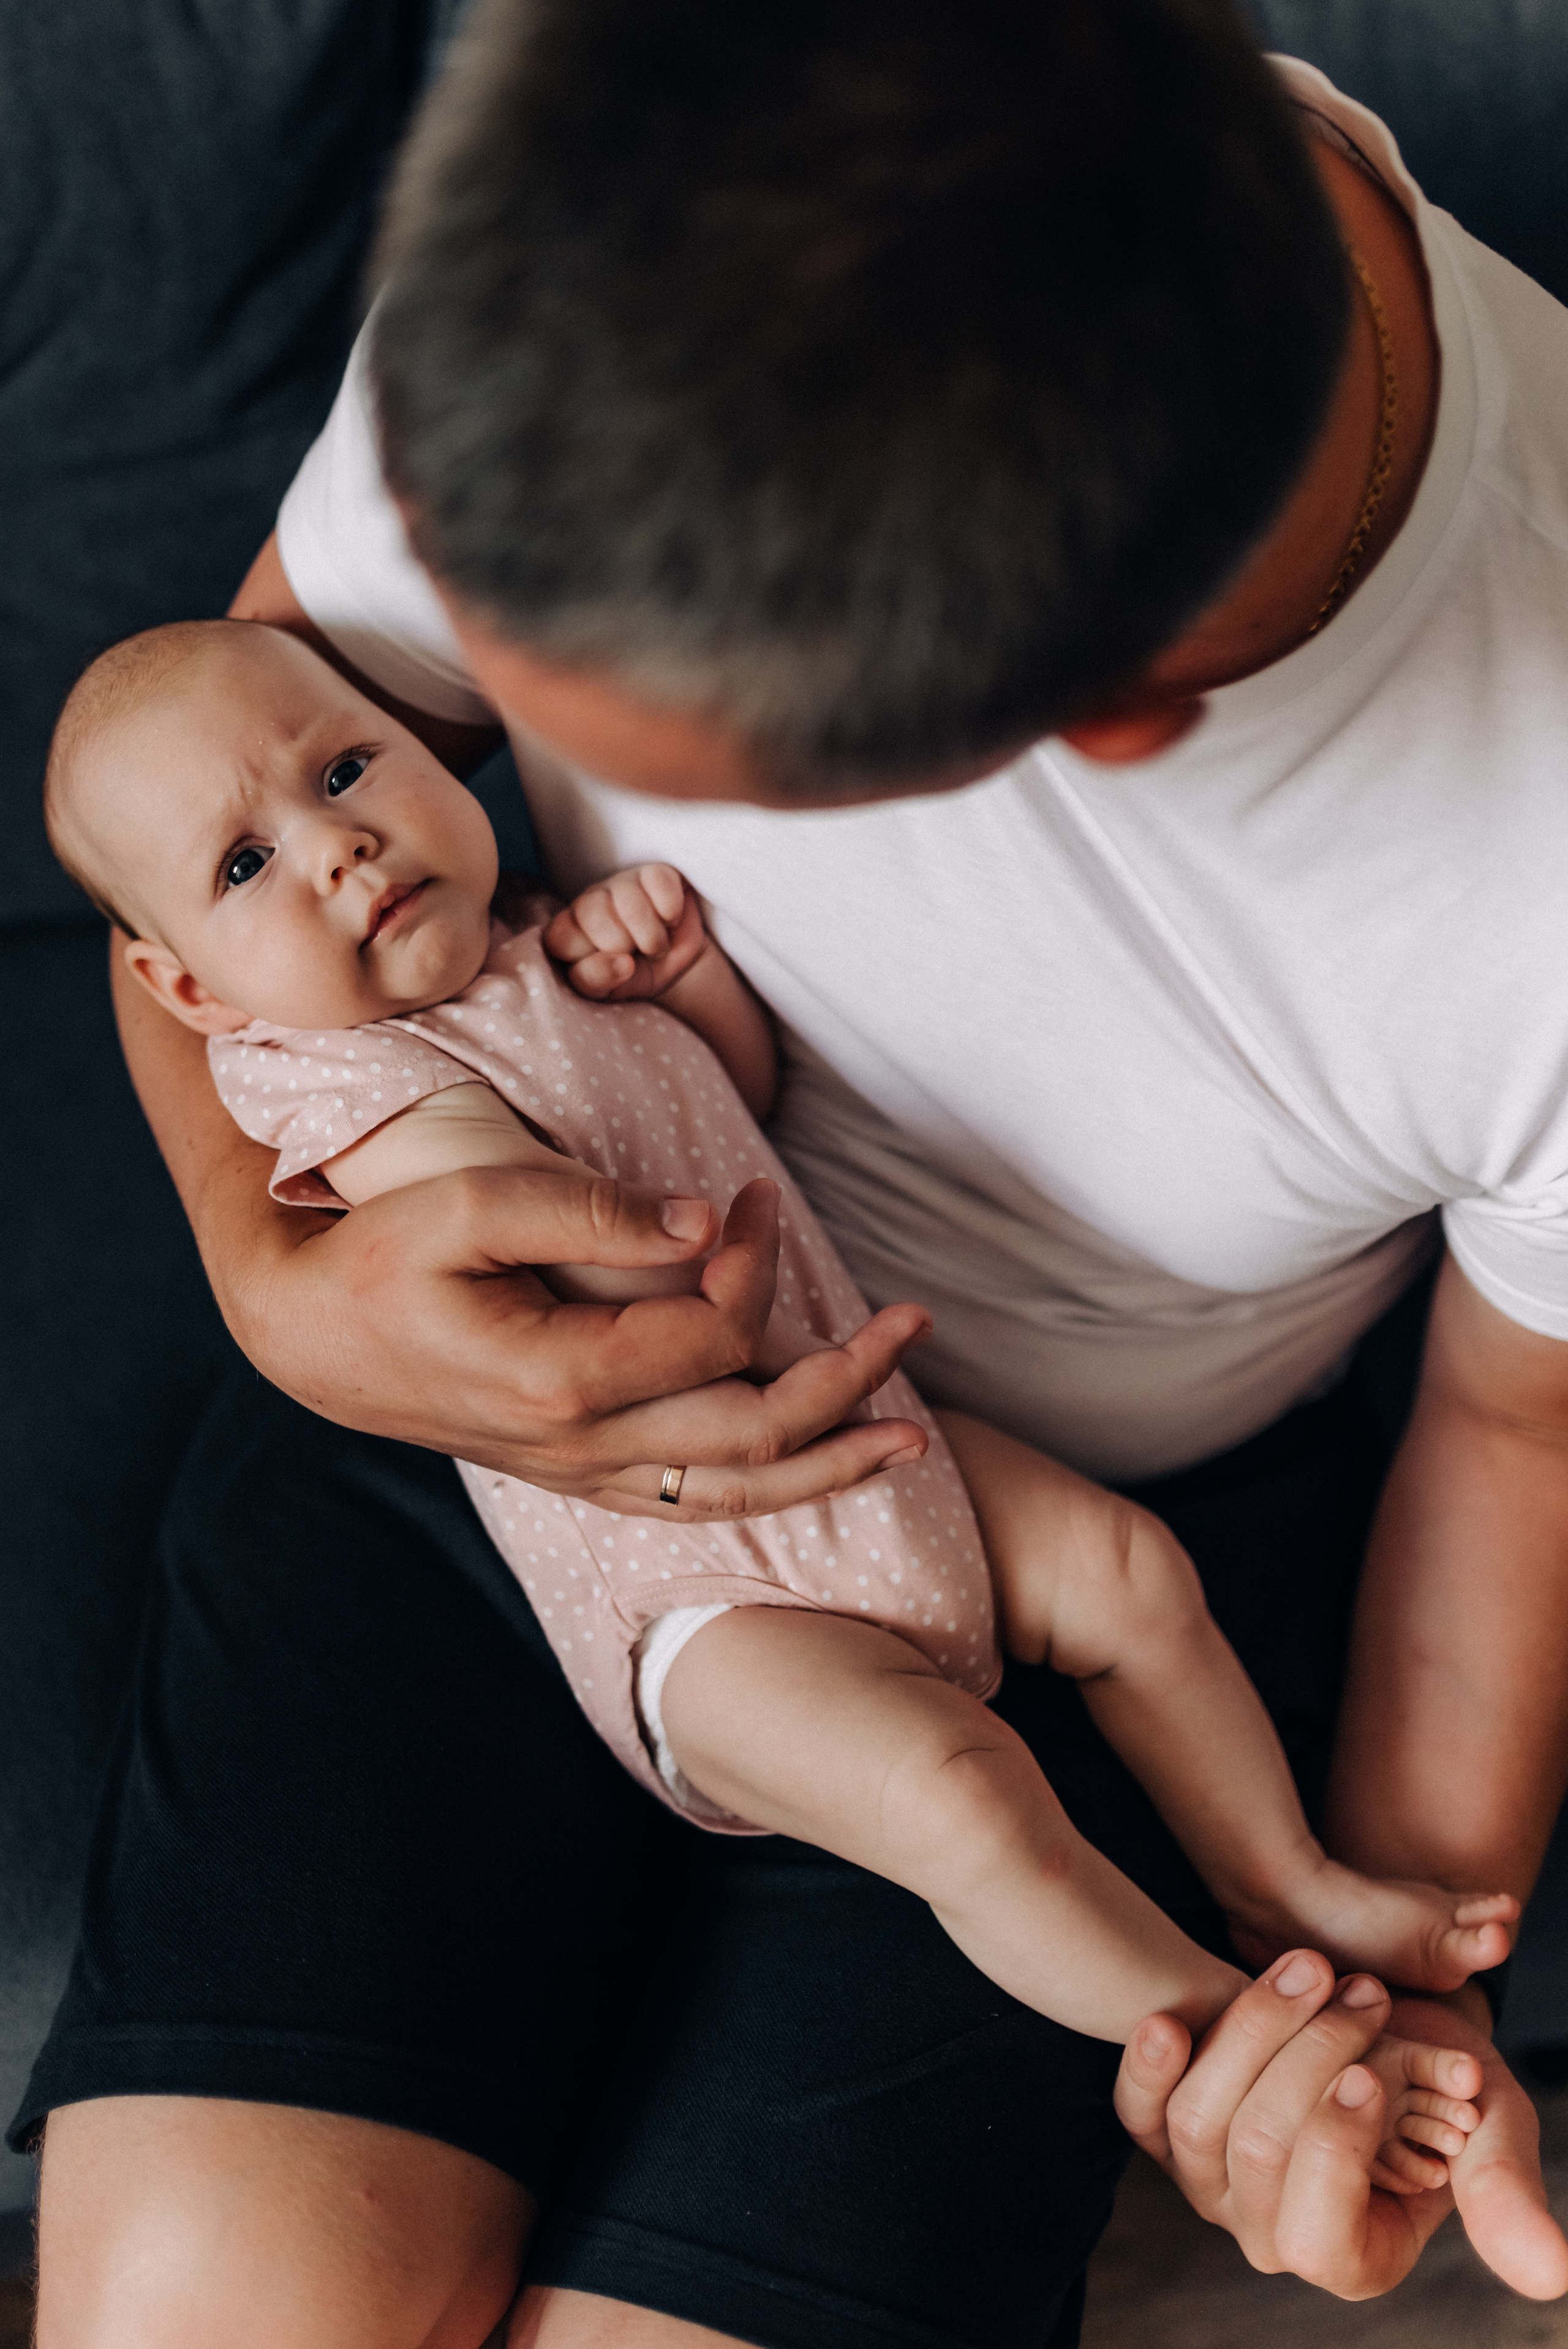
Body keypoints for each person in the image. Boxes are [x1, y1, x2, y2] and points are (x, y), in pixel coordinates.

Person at [21, 1, 1568, 2342]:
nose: (454, 792)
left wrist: (1392, 1987)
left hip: (1041, 1579)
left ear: (1093, 731)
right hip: (462, 1425)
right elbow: (221, 773)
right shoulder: (655, 177)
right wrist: (270, 1265)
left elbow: (1514, 1421)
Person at [45, 615, 1513, 2122]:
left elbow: (723, 1108)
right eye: (245, 866)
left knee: (1128, 1572)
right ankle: (1225, 2030)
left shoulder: (521, 951)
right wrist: (617, 1190)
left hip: (874, 1435)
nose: (338, 846)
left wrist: (676, 990)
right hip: (702, 1602)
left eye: (347, 767)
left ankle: (1281, 1885)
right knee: (957, 1798)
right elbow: (593, 1261)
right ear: (191, 995)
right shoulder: (342, 1083)